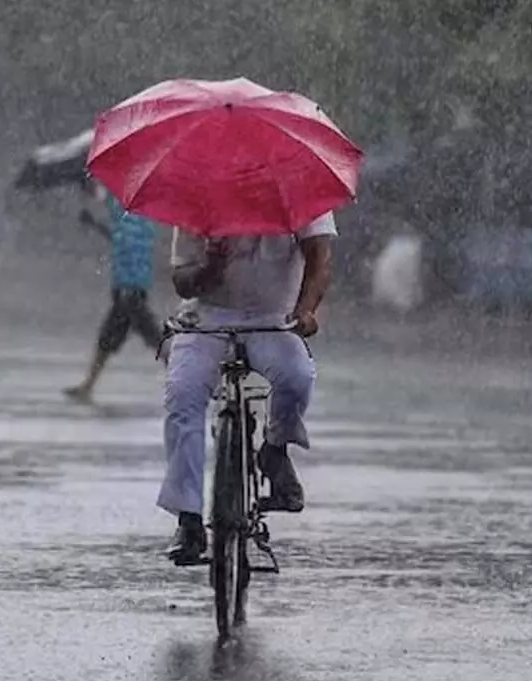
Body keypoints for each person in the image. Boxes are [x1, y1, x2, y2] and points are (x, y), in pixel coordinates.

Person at [161, 213, 338, 563]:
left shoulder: (299, 190)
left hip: (274, 320)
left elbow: (320, 258)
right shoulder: (200, 196)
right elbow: (181, 281)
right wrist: (209, 268)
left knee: (297, 377)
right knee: (183, 394)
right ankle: (189, 518)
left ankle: (275, 448)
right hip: (207, 320)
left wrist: (306, 310)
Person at [64, 181, 164, 402]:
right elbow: (119, 239)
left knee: (154, 339)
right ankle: (88, 386)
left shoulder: (127, 210)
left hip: (129, 289)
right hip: (130, 287)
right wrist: (93, 223)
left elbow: (123, 239)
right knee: (111, 339)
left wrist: (91, 213)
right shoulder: (140, 215)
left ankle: (191, 383)